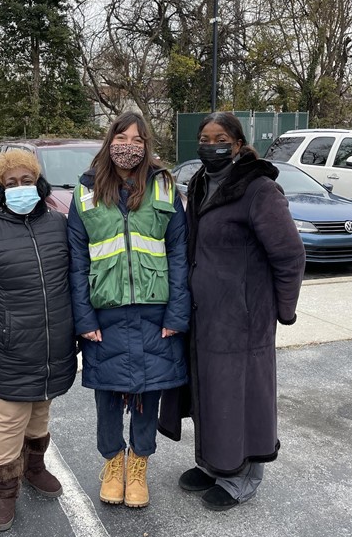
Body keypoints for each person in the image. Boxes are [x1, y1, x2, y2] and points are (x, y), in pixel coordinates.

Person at [159, 111, 306, 511]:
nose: (211, 145)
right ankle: (215, 465)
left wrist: (283, 310)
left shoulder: (259, 190)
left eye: (220, 137)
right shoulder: (203, 183)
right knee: (212, 393)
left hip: (244, 320)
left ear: (239, 144)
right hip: (206, 317)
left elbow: (290, 255)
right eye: (204, 138)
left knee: (243, 397)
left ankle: (244, 477)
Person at [67, 111, 190, 508]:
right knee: (106, 396)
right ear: (110, 140)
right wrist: (83, 318)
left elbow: (179, 254)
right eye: (123, 137)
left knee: (147, 395)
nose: (130, 146)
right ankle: (112, 463)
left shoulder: (164, 188)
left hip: (155, 314)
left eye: (138, 140)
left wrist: (177, 314)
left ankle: (138, 467)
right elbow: (76, 260)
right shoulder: (85, 192)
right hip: (105, 315)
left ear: (147, 145)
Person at [0, 149, 77, 531]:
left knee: (40, 411)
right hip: (9, 350)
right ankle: (3, 490)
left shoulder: (59, 225)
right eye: (11, 183)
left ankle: (34, 467)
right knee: (9, 421)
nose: (20, 188)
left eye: (27, 181)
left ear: (38, 184)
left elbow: (75, 281)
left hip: (52, 347)